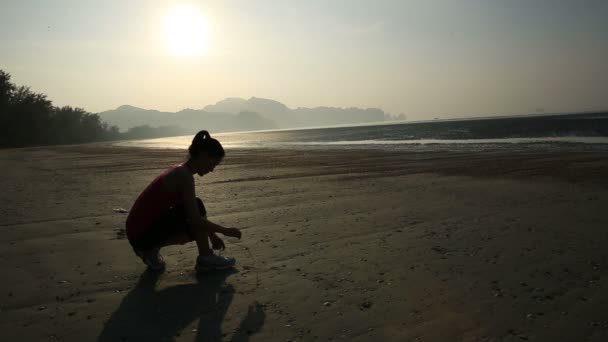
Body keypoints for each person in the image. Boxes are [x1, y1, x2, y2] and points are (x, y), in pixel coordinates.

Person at [125, 130, 242, 272]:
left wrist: (213, 235)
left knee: (196, 205)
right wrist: (225, 231)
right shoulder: (183, 175)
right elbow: (195, 218)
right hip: (140, 235)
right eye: (213, 163)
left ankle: (152, 250)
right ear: (203, 155)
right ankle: (205, 258)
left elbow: (190, 210)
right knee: (195, 218)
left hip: (137, 233)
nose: (212, 170)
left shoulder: (181, 170)